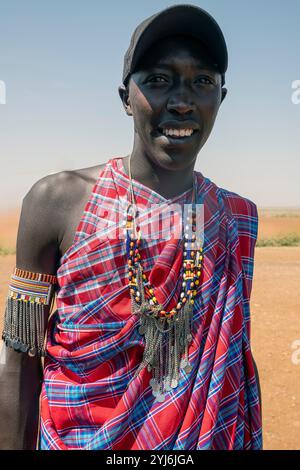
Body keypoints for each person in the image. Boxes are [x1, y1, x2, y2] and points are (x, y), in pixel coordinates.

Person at [0, 4, 262, 450]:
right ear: (126, 98)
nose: (181, 101)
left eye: (202, 82)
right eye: (159, 81)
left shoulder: (235, 217)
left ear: (221, 97)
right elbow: (20, 356)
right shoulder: (56, 202)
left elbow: (229, 367)